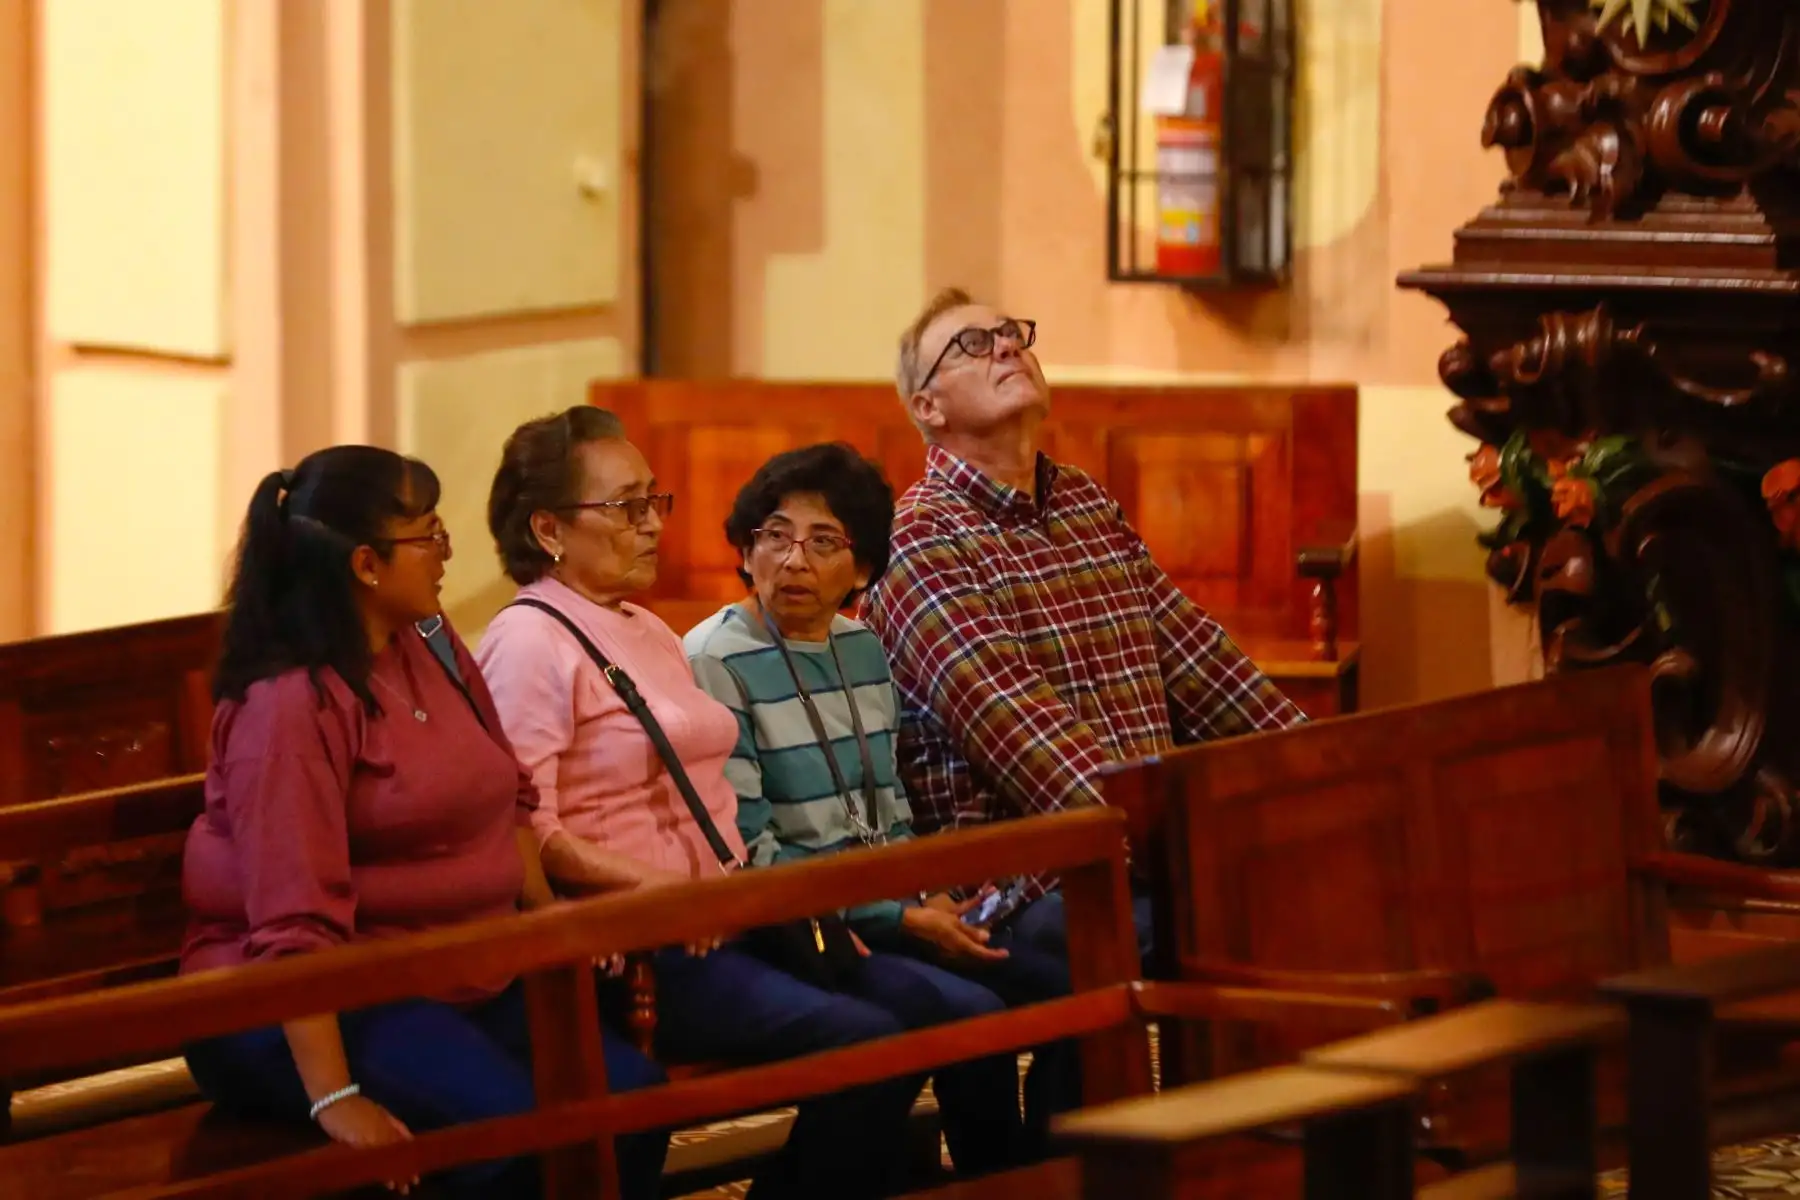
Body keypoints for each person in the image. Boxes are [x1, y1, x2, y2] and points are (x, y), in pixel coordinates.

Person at [179, 445, 668, 1200]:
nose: (447, 553)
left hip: (457, 969)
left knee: (633, 1101)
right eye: (429, 536)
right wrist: (337, 1098)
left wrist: (546, 931)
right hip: (315, 1005)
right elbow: (293, 927)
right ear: (367, 566)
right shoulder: (291, 706)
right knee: (511, 1141)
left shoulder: (431, 641)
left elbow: (507, 798)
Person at [474, 407, 928, 1199]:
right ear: (549, 527)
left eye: (655, 501)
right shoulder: (528, 642)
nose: (652, 524)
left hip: (735, 914)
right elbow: (526, 826)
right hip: (648, 943)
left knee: (921, 1020)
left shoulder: (644, 628)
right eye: (625, 507)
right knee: (868, 1047)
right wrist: (654, 893)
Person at [863, 288, 1310, 961]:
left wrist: (1324, 776)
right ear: (928, 407)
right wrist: (1194, 847)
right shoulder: (918, 539)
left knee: (1313, 884)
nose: (1009, 346)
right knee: (1251, 920)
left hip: (1137, 853)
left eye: (1012, 333)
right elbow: (1028, 742)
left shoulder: (1081, 503)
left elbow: (1203, 670)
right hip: (1017, 889)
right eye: (973, 345)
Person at [684, 442, 1083, 1169]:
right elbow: (752, 846)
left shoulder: (862, 647)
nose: (794, 560)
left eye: (824, 542)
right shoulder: (713, 658)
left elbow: (890, 804)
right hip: (802, 926)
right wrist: (902, 917)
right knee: (974, 1020)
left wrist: (927, 893)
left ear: (862, 569)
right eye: (774, 535)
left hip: (888, 907)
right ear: (746, 550)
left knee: (1065, 990)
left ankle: (1046, 1180)